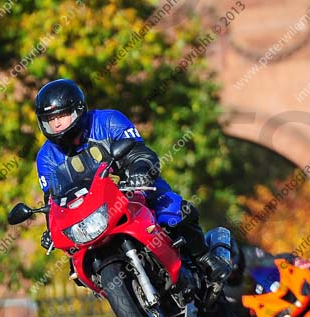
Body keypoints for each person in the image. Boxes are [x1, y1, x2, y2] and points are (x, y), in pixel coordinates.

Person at [33, 78, 230, 282]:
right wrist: (51, 228)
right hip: (91, 212)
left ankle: (205, 258)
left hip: (133, 188)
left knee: (172, 211)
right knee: (76, 267)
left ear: (78, 109)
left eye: (62, 115)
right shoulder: (45, 157)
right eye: (50, 119)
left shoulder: (108, 120)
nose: (56, 123)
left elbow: (140, 153)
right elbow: (53, 200)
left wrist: (140, 171)